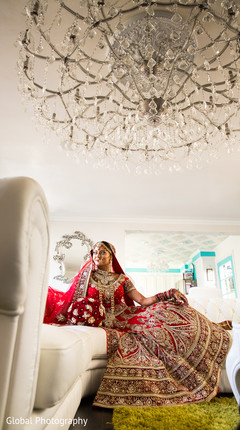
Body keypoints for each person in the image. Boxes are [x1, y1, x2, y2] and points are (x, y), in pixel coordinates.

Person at [44, 241, 231, 408]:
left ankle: (213, 326)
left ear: (111, 256)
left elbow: (143, 300)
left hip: (124, 317)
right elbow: (72, 300)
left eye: (102, 252)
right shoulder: (87, 277)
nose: (97, 256)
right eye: (94, 252)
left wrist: (167, 294)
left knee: (168, 316)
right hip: (98, 320)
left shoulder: (122, 280)